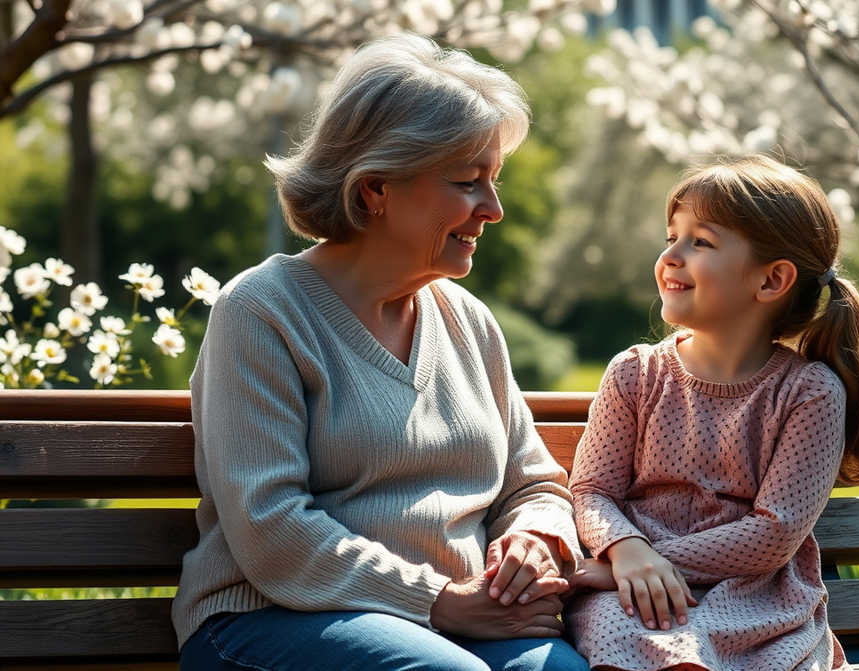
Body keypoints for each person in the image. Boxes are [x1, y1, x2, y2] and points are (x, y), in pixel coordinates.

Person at [171, 33, 589, 671]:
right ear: (375, 190)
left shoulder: (469, 321)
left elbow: (532, 484)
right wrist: (438, 601)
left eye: (493, 180)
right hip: (270, 618)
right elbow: (271, 527)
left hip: (458, 623)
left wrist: (532, 538)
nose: (494, 209)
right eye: (467, 182)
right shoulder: (261, 310)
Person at [565, 155, 859, 671]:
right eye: (670, 237)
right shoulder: (634, 374)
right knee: (619, 629)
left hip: (754, 601)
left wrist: (647, 562)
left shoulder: (808, 392)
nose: (671, 257)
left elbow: (774, 532)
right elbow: (592, 491)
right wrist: (626, 550)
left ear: (772, 281)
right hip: (639, 596)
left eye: (700, 242)